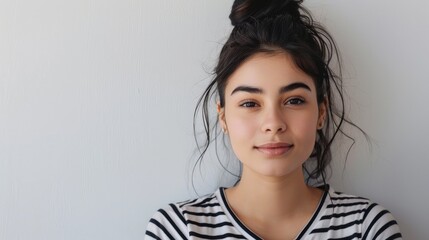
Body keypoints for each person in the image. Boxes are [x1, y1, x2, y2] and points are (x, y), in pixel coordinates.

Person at [145, 0, 402, 239]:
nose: (273, 123)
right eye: (250, 104)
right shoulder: (178, 230)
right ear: (223, 117)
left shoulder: (367, 228)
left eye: (294, 101)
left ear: (321, 112)